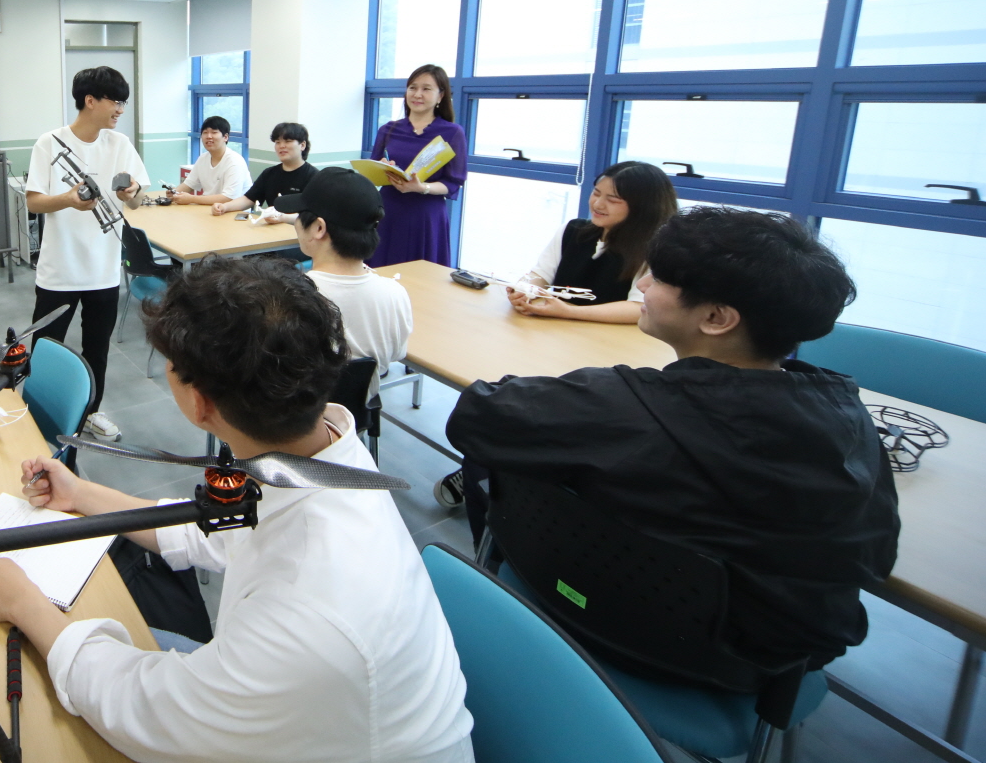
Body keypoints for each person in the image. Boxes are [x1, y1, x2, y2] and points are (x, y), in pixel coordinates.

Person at [0, 256, 474, 763]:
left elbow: (143, 710)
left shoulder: (308, 615)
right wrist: (81, 496)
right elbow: (219, 531)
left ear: (200, 403)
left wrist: (21, 601)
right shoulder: (324, 450)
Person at [447, 208, 899, 671]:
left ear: (717, 317)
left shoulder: (615, 405)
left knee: (502, 456)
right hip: (759, 661)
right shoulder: (850, 421)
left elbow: (475, 415)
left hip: (599, 620)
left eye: (659, 278)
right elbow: (875, 559)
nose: (642, 285)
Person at [25, 66, 147, 441]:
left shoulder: (120, 144)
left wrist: (133, 193)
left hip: (103, 272)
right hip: (59, 272)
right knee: (46, 349)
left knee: (97, 350)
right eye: (116, 101)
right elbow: (34, 202)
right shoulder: (50, 143)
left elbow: (138, 201)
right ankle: (36, 414)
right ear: (90, 101)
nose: (121, 109)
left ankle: (89, 414)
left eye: (124, 102)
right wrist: (67, 199)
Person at [281, 167, 413, 381]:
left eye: (299, 215)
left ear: (319, 228)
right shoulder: (395, 293)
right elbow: (397, 354)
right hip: (366, 402)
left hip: (303, 401)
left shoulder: (290, 296)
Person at [506, 161, 677, 325]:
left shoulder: (655, 248)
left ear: (643, 207)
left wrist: (569, 312)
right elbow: (540, 274)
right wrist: (524, 289)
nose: (598, 204)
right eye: (596, 193)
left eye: (613, 200)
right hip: (560, 330)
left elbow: (639, 307)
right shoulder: (572, 231)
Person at [368, 64, 467, 268]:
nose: (417, 94)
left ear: (440, 96)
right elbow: (372, 169)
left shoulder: (452, 133)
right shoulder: (388, 129)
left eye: (426, 89)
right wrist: (382, 168)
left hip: (426, 214)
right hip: (388, 210)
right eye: (412, 87)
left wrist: (422, 187)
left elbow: (453, 182)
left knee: (422, 275)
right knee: (383, 271)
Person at [211, 122, 315, 220]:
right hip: (271, 228)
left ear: (302, 145)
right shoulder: (269, 173)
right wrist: (225, 207)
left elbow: (313, 215)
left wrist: (281, 218)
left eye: (288, 141)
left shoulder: (314, 177)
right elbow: (249, 199)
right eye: (277, 142)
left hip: (299, 230)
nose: (281, 146)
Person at [171, 116, 250, 205]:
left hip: (233, 211)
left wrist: (192, 199)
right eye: (205, 133)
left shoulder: (235, 161)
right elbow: (189, 184)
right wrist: (174, 193)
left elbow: (228, 198)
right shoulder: (203, 158)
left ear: (225, 137)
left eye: (214, 132)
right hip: (208, 208)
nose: (209, 136)